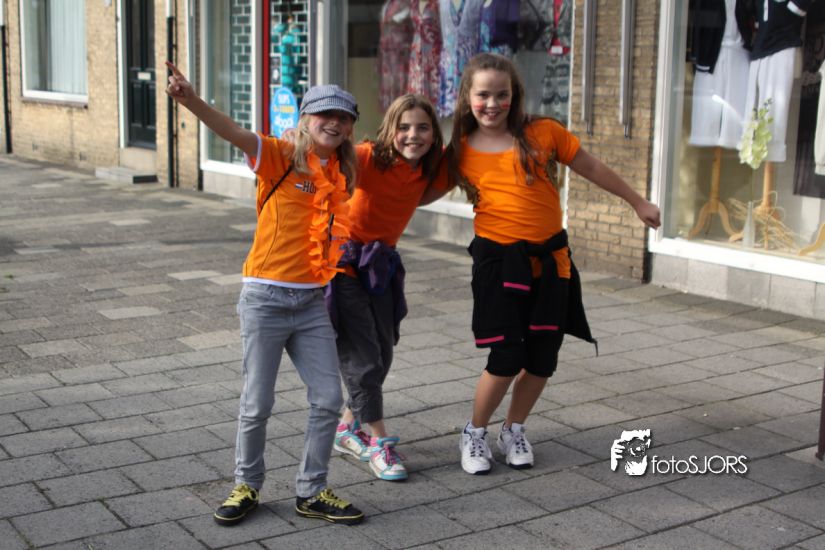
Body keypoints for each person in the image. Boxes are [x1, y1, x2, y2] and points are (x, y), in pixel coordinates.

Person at [164, 61, 365, 526]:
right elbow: (231, 131)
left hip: (312, 302)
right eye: (325, 114)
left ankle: (311, 490)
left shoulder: (341, 170)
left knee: (327, 399)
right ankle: (246, 485)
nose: (334, 123)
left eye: (343, 117)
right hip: (265, 297)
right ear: (306, 119)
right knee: (258, 403)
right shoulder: (278, 155)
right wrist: (191, 101)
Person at [446, 53, 660, 475]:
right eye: (483, 94)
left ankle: (513, 430)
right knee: (506, 355)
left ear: (515, 95)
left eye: (502, 94)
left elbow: (591, 166)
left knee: (543, 357)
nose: (493, 103)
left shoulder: (543, 132)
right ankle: (474, 432)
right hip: (498, 264)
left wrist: (637, 202)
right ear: (467, 96)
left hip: (551, 262)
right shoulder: (459, 148)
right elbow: (413, 189)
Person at [329, 94, 448, 481]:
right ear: (389, 130)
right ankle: (380, 443)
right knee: (364, 357)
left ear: (434, 134)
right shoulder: (367, 157)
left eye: (422, 127)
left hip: (381, 267)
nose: (413, 135)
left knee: (383, 351)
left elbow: (463, 162)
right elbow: (326, 157)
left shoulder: (428, 169)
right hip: (345, 265)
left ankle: (346, 428)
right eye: (404, 127)